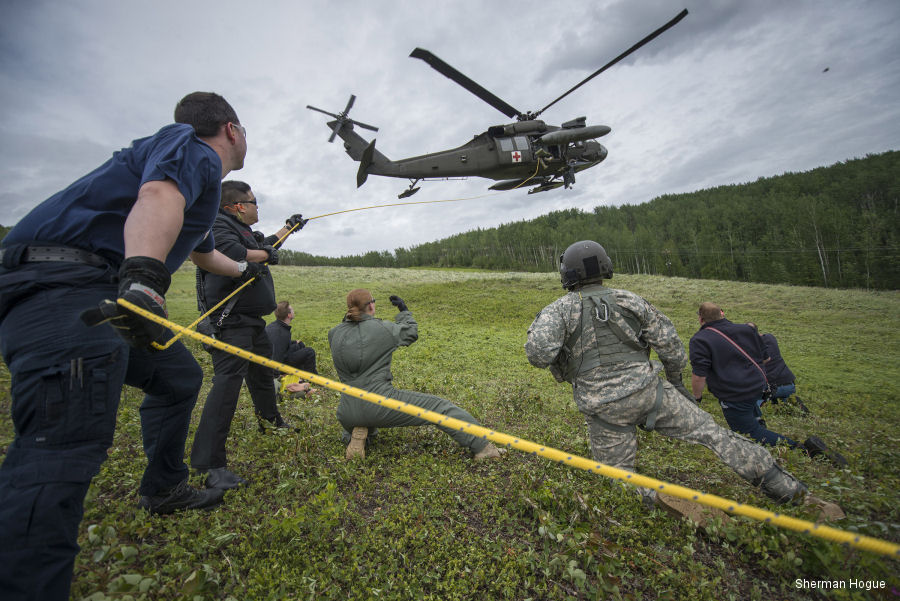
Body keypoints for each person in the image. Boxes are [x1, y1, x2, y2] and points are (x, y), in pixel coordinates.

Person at [0, 92, 264, 601]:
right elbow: (158, 198)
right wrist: (143, 276)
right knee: (64, 444)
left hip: (90, 283)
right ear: (231, 129)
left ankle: (163, 488)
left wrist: (249, 267)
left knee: (179, 378)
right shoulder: (190, 148)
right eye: (244, 129)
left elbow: (207, 255)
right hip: (63, 283)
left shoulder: (199, 191)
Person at [525, 241, 842, 521]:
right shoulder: (631, 301)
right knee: (716, 436)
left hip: (604, 409)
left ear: (567, 274)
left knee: (617, 479)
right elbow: (671, 347)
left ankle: (660, 499)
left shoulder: (558, 311)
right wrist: (675, 384)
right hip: (652, 393)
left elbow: (538, 354)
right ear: (604, 267)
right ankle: (801, 498)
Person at [190, 181, 305, 490]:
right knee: (227, 385)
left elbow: (263, 245)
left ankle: (271, 421)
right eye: (254, 202)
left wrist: (288, 229)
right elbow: (234, 253)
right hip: (230, 321)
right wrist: (264, 254)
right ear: (238, 205)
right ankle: (208, 463)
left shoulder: (239, 227)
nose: (257, 207)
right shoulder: (217, 225)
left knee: (261, 372)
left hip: (251, 321)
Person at [328, 289, 501, 460]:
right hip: (377, 404)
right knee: (438, 407)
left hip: (346, 412)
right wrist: (404, 311)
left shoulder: (334, 333)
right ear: (371, 306)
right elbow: (411, 332)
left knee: (364, 419)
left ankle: (354, 436)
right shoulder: (382, 329)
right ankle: (483, 447)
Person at [690, 303, 845, 466]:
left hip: (735, 393)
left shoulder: (700, 340)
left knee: (750, 432)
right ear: (722, 314)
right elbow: (766, 359)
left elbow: (699, 375)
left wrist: (697, 397)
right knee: (752, 414)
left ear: (701, 319)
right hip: (760, 385)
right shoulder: (747, 330)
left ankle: (805, 450)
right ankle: (759, 427)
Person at [746, 322, 808, 413]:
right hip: (789, 384)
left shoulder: (750, 348)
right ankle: (788, 402)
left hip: (769, 388)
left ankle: (766, 403)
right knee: (781, 401)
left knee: (751, 404)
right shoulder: (771, 338)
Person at [266, 300, 316, 399]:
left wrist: (294, 344)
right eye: (292, 310)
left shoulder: (275, 326)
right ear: (289, 315)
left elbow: (281, 346)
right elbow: (277, 356)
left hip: (270, 358)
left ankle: (301, 376)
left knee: (299, 344)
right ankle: (314, 379)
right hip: (277, 365)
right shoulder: (281, 334)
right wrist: (278, 376)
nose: (294, 311)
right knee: (309, 351)